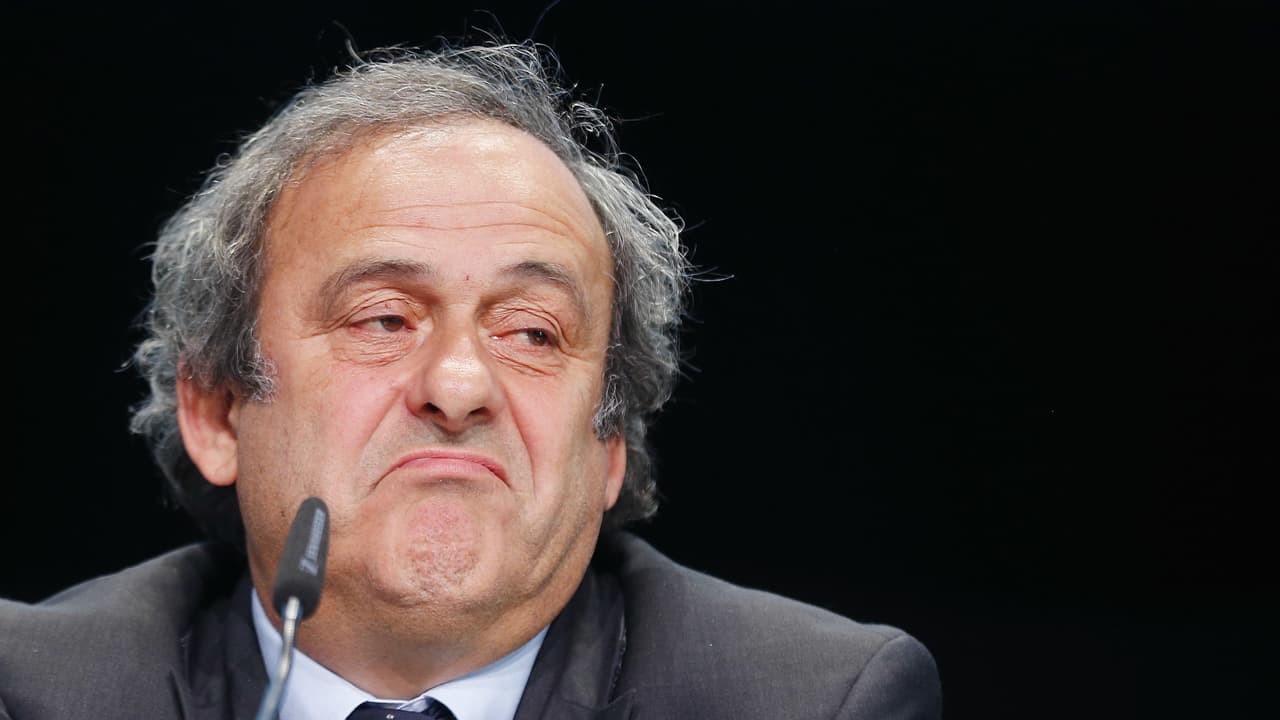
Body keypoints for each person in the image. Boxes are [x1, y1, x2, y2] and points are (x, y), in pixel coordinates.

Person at [0, 42, 941, 719]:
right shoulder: (32, 692)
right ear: (216, 409)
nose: (458, 385)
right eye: (383, 319)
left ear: (610, 443)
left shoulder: (809, 701)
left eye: (532, 333)